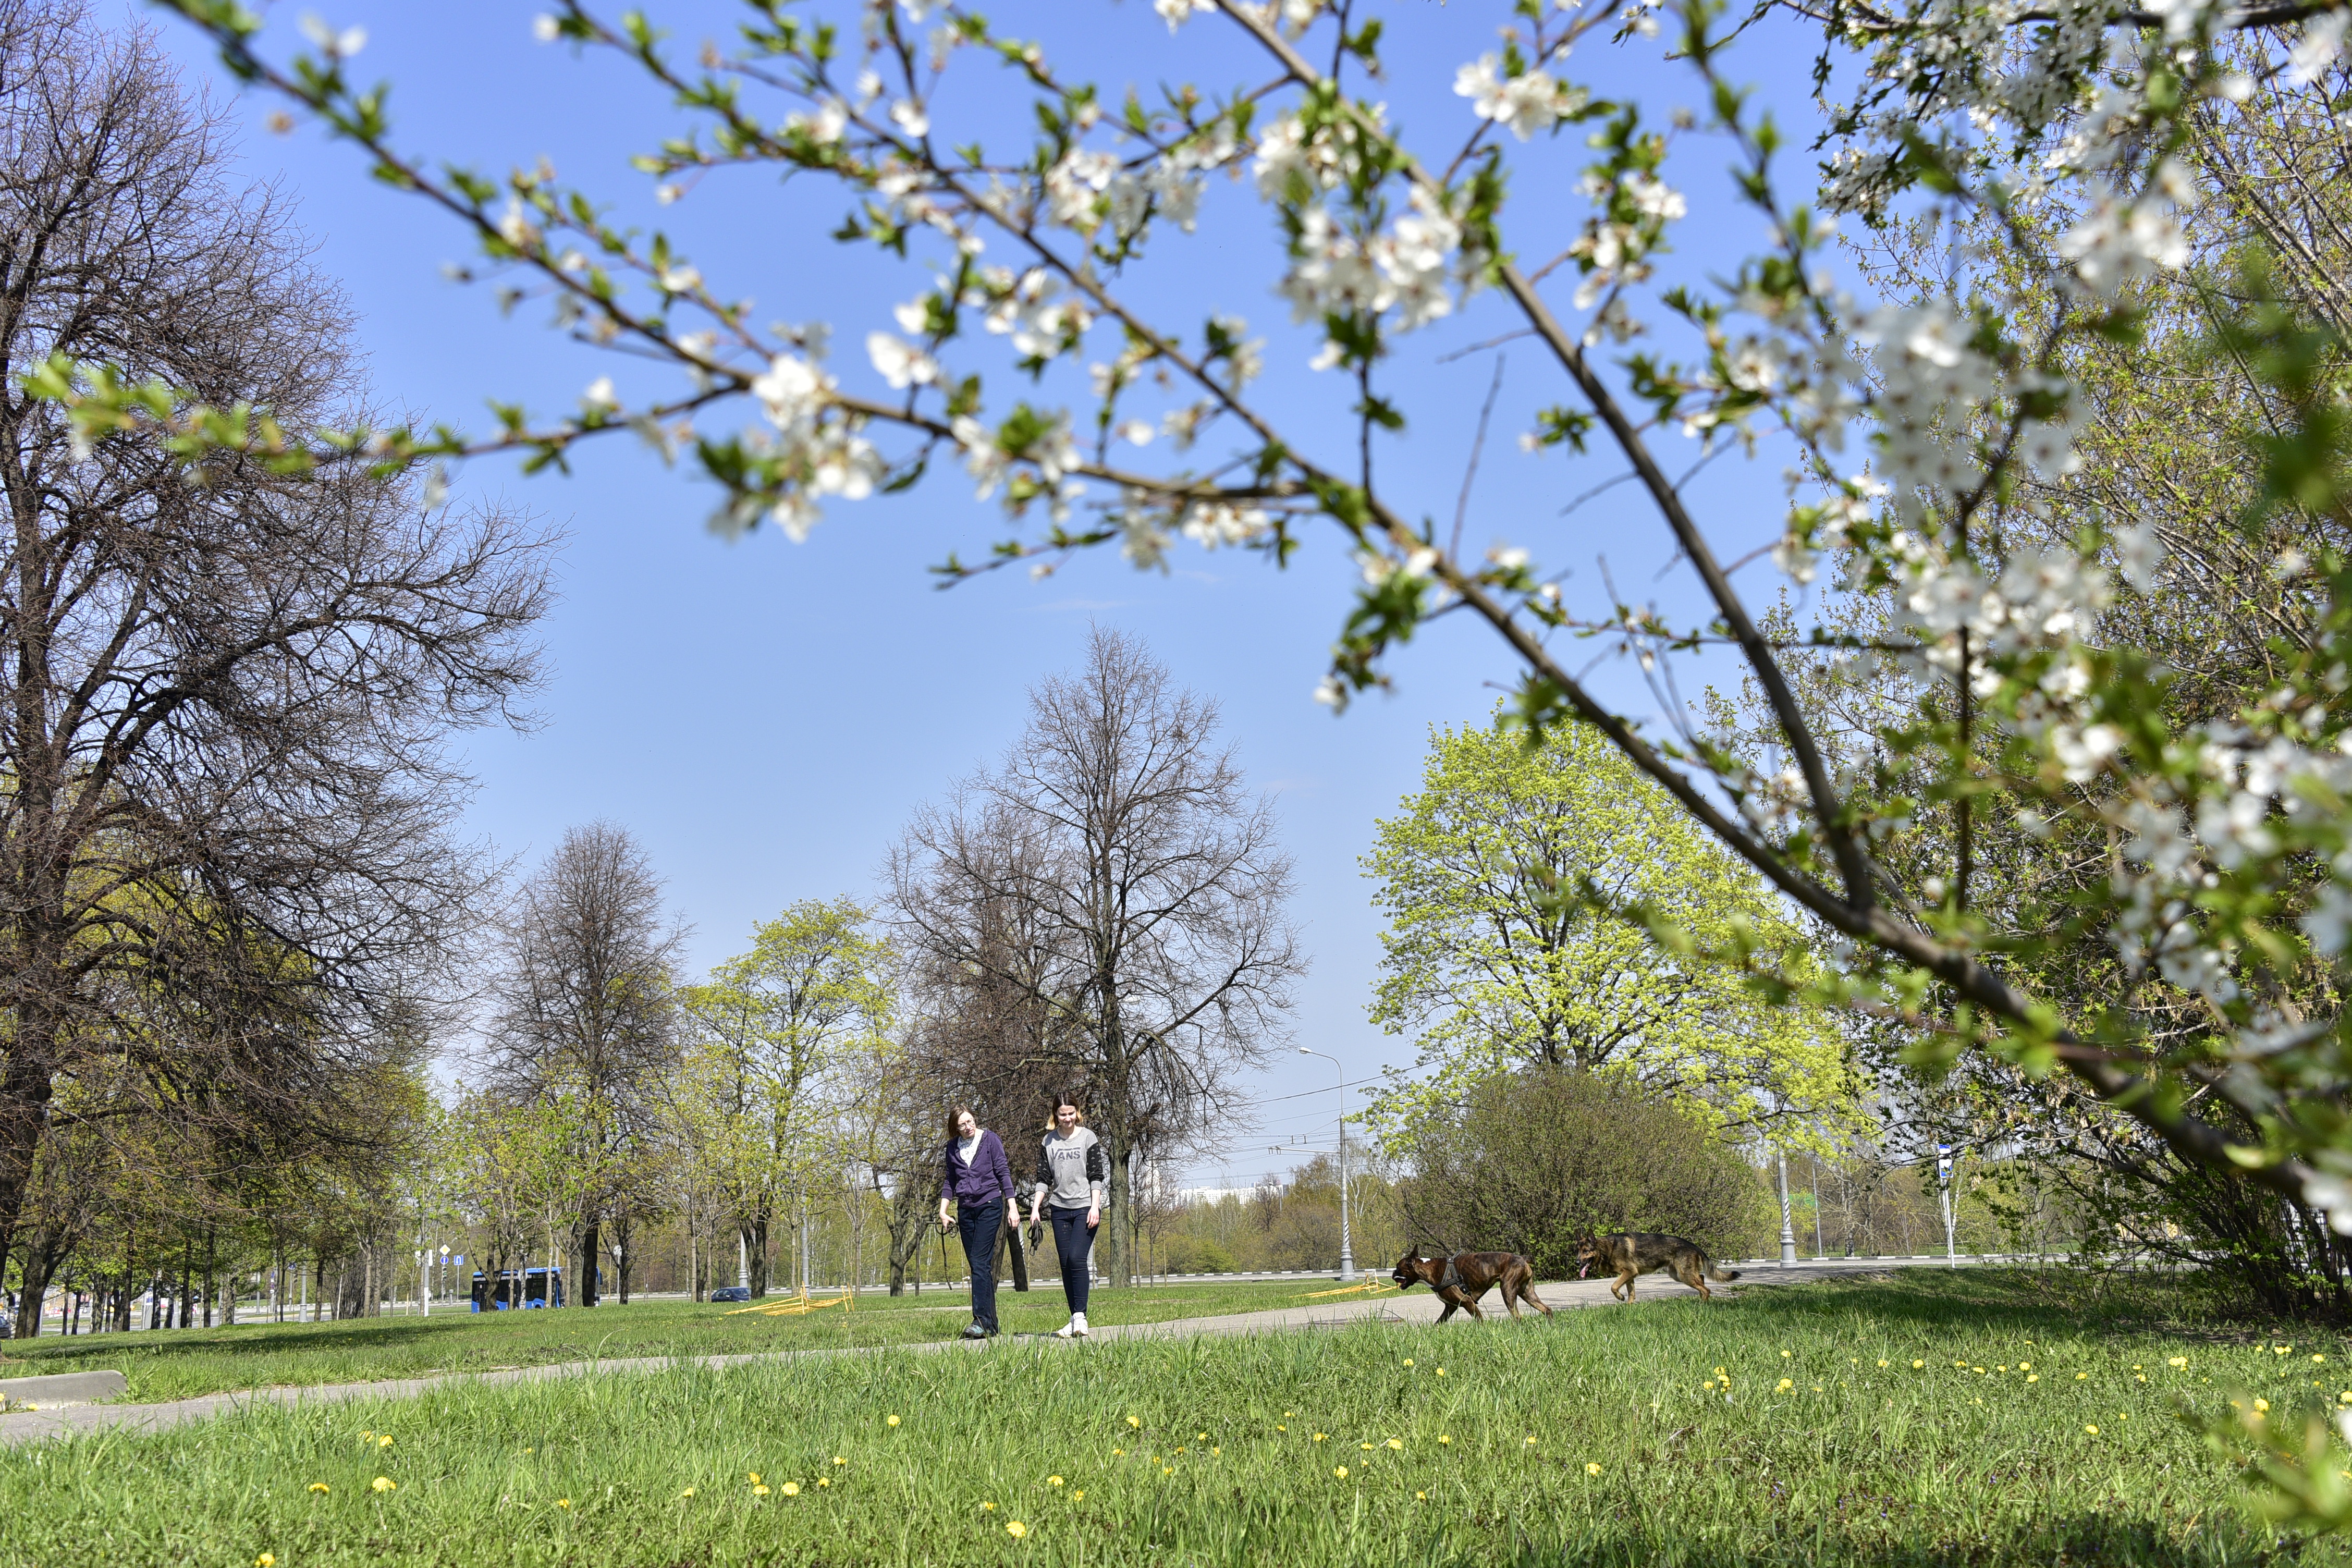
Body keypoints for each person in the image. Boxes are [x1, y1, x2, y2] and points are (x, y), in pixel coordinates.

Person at [1026, 1092, 1106, 1339]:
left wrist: (1095, 1206)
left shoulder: (1088, 1138)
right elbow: (1043, 1179)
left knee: (1076, 1259)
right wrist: (1036, 1208)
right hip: (1059, 1208)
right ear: (1055, 1115)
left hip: (1085, 1207)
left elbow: (1096, 1175)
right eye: (1063, 1114)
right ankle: (1075, 1319)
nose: (1068, 1118)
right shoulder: (1048, 1141)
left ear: (1077, 1113)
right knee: (1065, 1265)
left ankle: (1081, 1316)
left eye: (1071, 1113)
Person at [937, 1104, 1016, 1340]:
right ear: (955, 1128)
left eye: (970, 1121)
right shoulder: (952, 1148)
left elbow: (1003, 1172)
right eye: (962, 1124)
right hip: (966, 1210)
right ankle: (991, 1325)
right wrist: (944, 1210)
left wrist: (1012, 1207)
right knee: (978, 1266)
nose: (968, 1126)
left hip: (990, 1205)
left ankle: (980, 1321)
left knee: (980, 1261)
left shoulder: (990, 1140)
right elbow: (950, 1180)